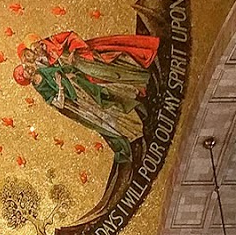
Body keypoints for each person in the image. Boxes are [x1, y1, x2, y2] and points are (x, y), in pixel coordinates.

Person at [13, 31, 159, 164]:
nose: (34, 51)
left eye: (32, 49)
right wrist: (63, 83)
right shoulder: (41, 72)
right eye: (27, 58)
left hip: (84, 66)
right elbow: (55, 91)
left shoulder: (49, 46)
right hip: (78, 89)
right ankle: (134, 122)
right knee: (105, 107)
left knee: (109, 80)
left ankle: (140, 84)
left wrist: (74, 53)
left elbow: (70, 39)